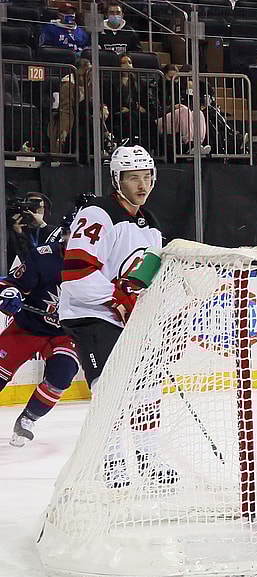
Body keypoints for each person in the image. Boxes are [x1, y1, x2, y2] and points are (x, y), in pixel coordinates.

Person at [59, 144, 177, 487]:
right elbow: (77, 276)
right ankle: (111, 462)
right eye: (132, 178)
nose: (142, 185)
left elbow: (146, 273)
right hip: (90, 313)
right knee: (109, 387)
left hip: (124, 315)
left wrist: (145, 299)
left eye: (147, 177)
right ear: (116, 179)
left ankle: (148, 458)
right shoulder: (97, 214)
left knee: (147, 388)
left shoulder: (150, 223)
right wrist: (118, 298)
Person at [1, 203, 81, 446]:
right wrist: (10, 295)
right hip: (28, 327)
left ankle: (28, 419)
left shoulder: (102, 263)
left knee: (62, 375)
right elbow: (11, 285)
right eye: (75, 233)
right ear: (65, 233)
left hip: (65, 334)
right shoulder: (44, 257)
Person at [155, 64, 209, 156]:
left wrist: (190, 93)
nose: (173, 81)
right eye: (170, 78)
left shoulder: (180, 88)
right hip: (160, 120)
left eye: (176, 78)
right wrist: (172, 107)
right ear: (163, 75)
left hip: (179, 119)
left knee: (198, 113)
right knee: (183, 110)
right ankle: (189, 144)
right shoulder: (156, 86)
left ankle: (198, 144)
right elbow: (155, 110)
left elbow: (191, 108)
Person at [105, 55, 150, 147]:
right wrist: (132, 107)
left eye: (129, 63)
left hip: (135, 112)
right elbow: (111, 101)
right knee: (129, 116)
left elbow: (143, 102)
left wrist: (132, 108)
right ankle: (131, 142)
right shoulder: (110, 83)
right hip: (117, 113)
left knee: (144, 118)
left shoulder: (139, 83)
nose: (127, 65)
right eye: (123, 63)